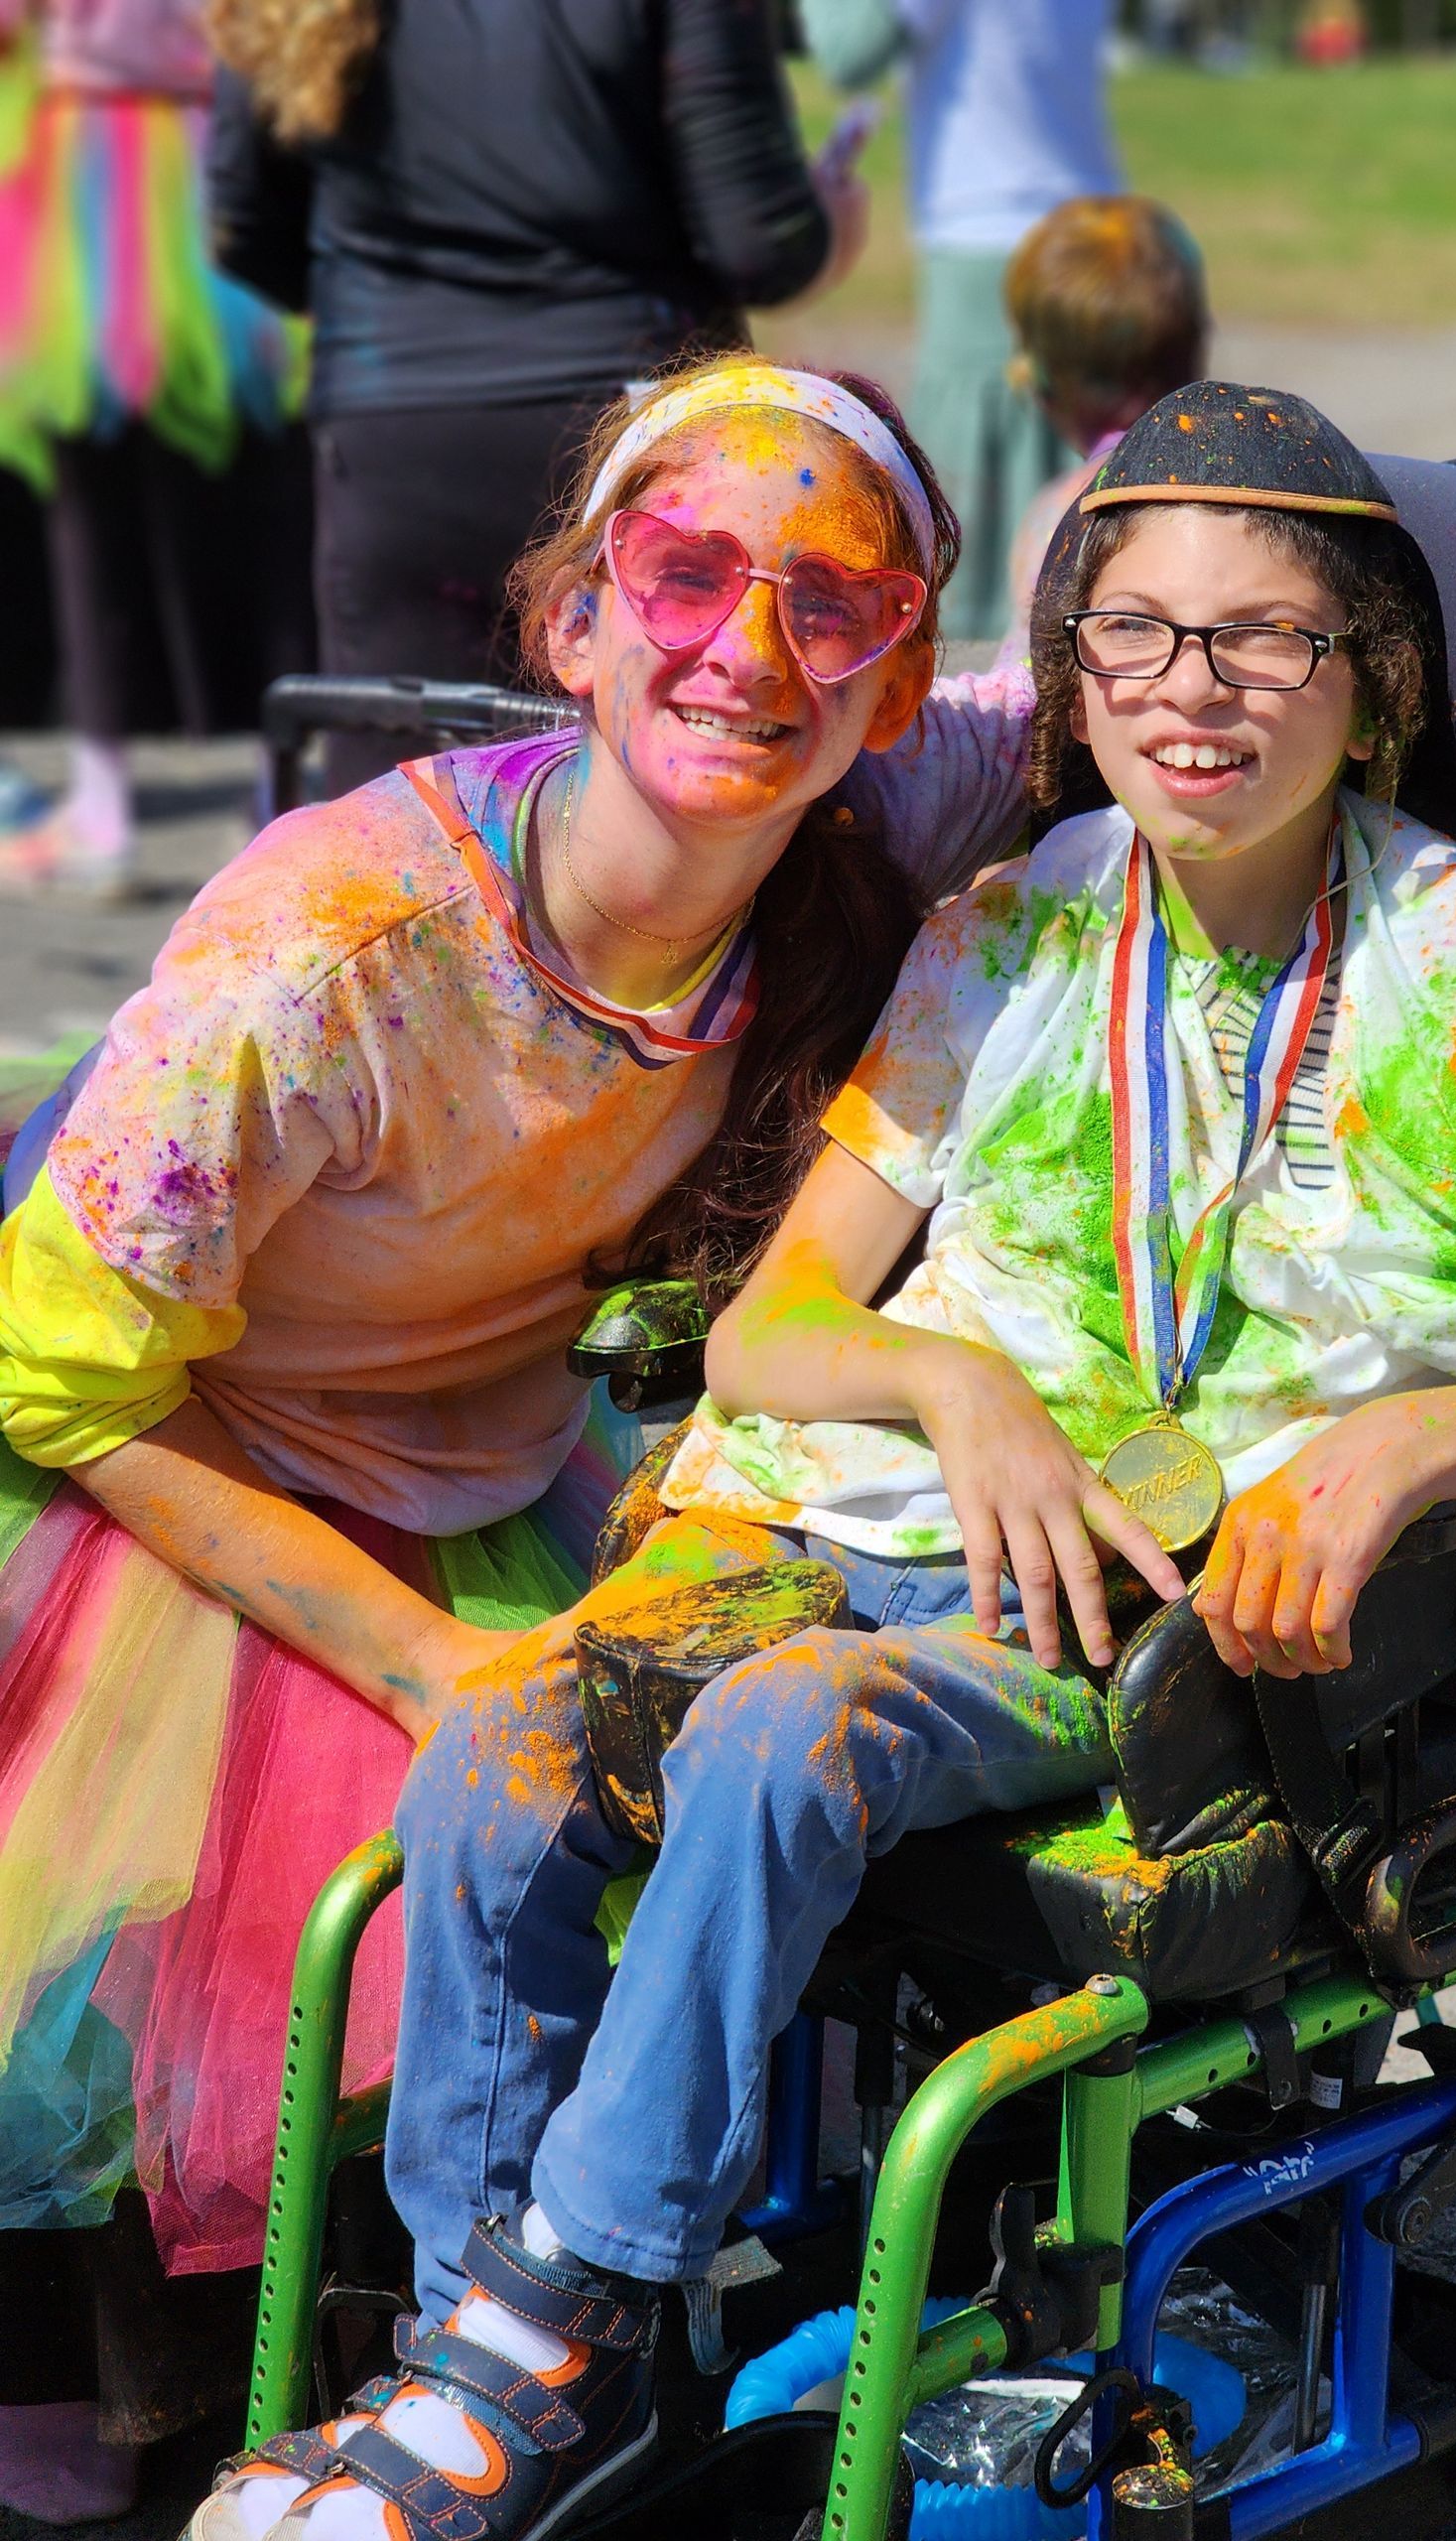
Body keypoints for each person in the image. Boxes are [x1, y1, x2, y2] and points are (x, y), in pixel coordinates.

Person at [183, 382, 1456, 2541]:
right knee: (492, 1755)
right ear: (1072, 671)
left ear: (1375, 681)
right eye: (1133, 635)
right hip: (863, 1509)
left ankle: (550, 2318)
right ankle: (487, 2346)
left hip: (1145, 1606)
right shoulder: (1020, 917)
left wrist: (1412, 1440)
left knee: (778, 1741)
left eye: (1266, 640)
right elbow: (777, 1320)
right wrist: (963, 1389)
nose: (1190, 692)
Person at [0, 355, 1030, 2519]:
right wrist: (401, 1656)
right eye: (684, 574)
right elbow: (57, 1370)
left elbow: (1193, 645)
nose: (749, 647)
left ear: (893, 672)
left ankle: (468, 2359)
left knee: (604, 1812)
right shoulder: (328, 944)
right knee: (285, 1917)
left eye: (828, 604)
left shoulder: (870, 795)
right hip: (150, 1453)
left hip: (480, 1456)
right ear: (572, 618)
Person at [205, 0, 868, 790]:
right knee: (641, 808)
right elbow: (760, 242)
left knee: (396, 816)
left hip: (400, 433)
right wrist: (829, 226)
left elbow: (244, 222)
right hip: (626, 433)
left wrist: (392, 311)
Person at [0, 0, 312, 898]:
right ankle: (265, 794)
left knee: (95, 514)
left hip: (99, 175)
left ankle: (109, 810)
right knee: (259, 512)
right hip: (192, 155)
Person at [801, 0, 1124, 643]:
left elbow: (848, 52)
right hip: (1094, 224)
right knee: (1091, 525)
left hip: (988, 233)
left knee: (976, 577)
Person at [996, 193, 1211, 658]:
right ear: (1196, 347)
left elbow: (1028, 678)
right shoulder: (1238, 482)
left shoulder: (1060, 516)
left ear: (1044, 384)